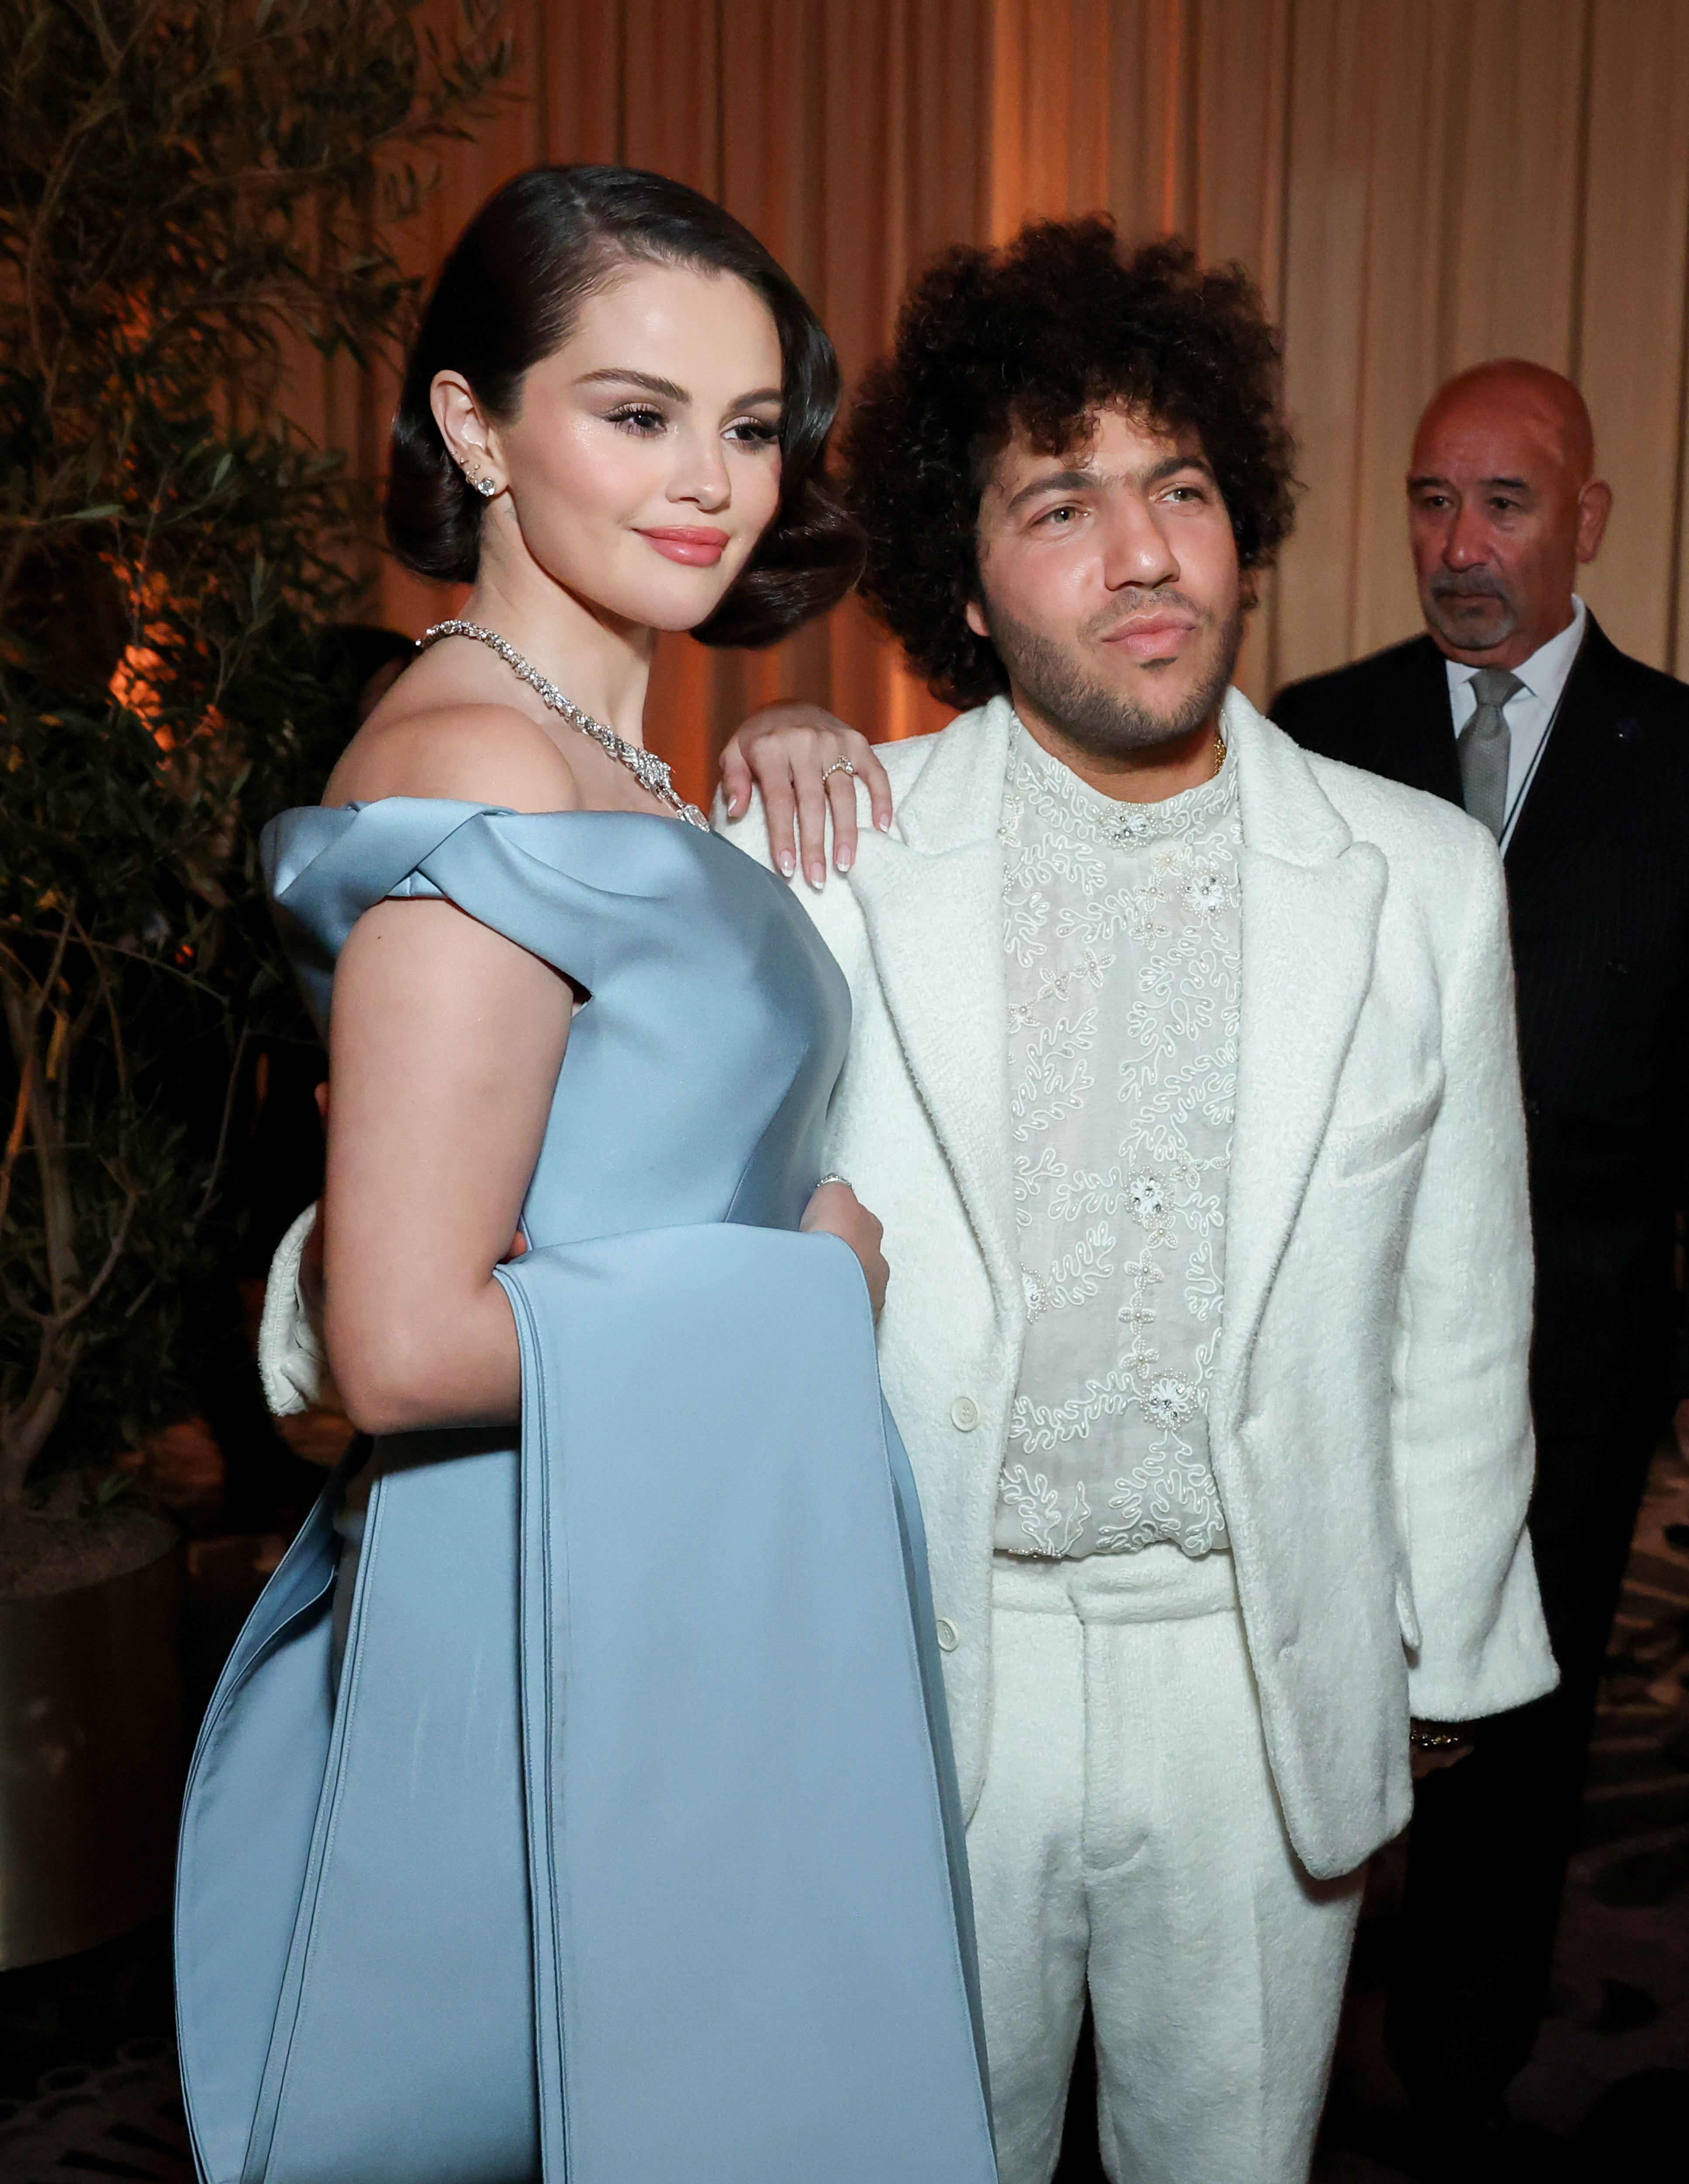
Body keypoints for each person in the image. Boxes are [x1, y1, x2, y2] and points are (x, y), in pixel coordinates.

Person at [710, 220, 1557, 2184]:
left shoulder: (1416, 878)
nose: (1144, 549)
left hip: (1249, 1676)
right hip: (925, 1663)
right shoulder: (837, 849)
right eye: (1061, 501)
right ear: (970, 587)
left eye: (1179, 486)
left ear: (1241, 518)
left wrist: (1442, 1662)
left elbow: (1459, 1311)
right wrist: (755, 771)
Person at [176, 165, 996, 2184]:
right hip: (542, 1574)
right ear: (474, 428)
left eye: (744, 425)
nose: (708, 480)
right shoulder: (468, 761)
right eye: (635, 416)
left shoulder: (613, 753)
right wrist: (814, 1286)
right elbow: (396, 1337)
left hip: (677, 1538)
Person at [1271, 358, 1689, 2177]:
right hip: (1327, 1329)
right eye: (1434, 500)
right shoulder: (1307, 725)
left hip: (1576, 1346)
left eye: (1503, 504)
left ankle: (1459, 2070)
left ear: (1585, 521)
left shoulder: (1684, 759)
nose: (1460, 544)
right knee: (1303, 1681)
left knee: (1520, 1710)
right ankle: (1268, 2029)